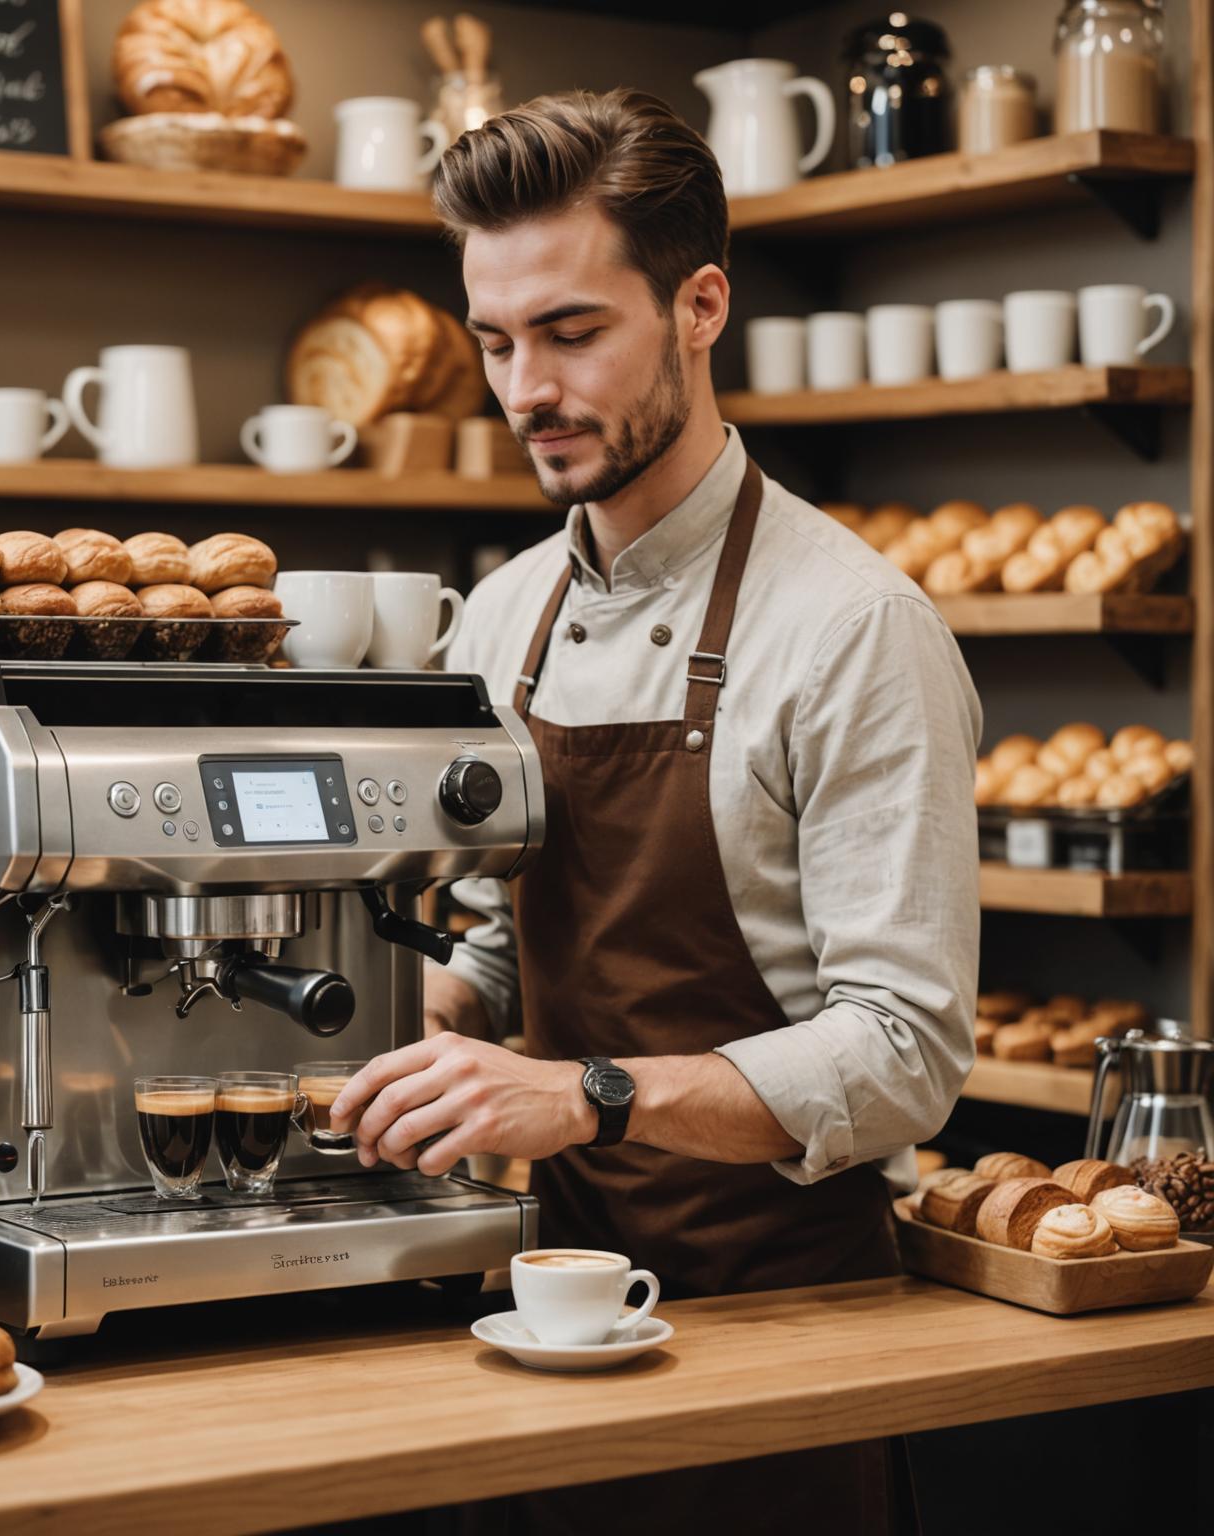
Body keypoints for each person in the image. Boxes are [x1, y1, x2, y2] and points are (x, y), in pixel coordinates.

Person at [328, 88, 980, 1531]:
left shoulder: (857, 629)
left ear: (699, 306)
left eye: (572, 333)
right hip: (542, 1304)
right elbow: (502, 946)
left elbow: (903, 1053)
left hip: (789, 1322)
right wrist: (419, 1035)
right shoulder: (502, 617)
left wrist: (587, 1094)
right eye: (496, 342)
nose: (525, 391)